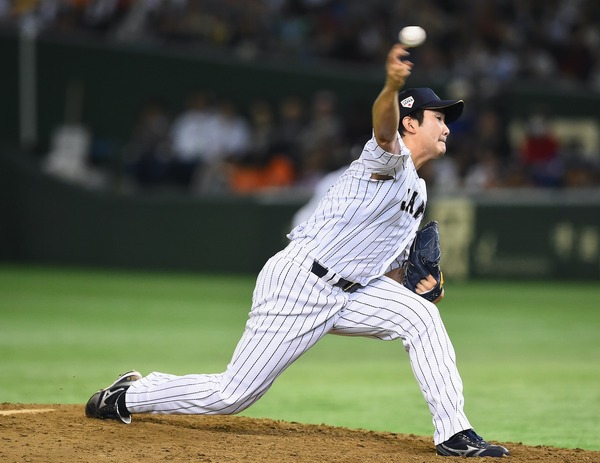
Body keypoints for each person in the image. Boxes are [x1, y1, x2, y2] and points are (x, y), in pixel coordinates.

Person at [86, 44, 509, 458]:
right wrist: (391, 87)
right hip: (300, 282)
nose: (448, 127)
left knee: (421, 317)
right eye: (439, 118)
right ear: (411, 123)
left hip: (353, 291)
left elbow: (386, 269)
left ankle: (455, 433)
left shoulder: (416, 190)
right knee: (232, 395)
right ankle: (128, 395)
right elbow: (384, 126)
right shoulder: (385, 161)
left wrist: (419, 283)